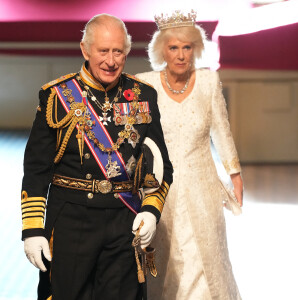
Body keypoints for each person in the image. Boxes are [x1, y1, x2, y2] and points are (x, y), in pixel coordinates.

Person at [21, 14, 173, 300]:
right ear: (85, 49)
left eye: (119, 52)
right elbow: (36, 170)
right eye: (103, 51)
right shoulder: (57, 96)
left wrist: (151, 211)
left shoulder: (143, 96)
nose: (111, 61)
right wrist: (32, 229)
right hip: (70, 220)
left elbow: (162, 166)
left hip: (123, 221)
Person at [135, 10, 243, 300]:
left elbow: (222, 130)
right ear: (162, 50)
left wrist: (235, 175)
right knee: (168, 257)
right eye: (173, 47)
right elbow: (134, 139)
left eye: (187, 47)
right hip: (160, 188)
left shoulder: (208, 82)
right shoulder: (145, 85)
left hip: (203, 186)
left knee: (203, 255)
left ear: (196, 49)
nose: (181, 55)